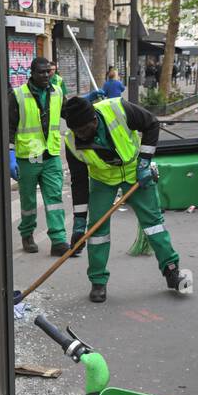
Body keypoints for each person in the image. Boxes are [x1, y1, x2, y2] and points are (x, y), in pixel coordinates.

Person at [62, 92, 187, 304]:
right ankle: (98, 281)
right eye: (76, 131)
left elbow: (151, 124)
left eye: (84, 130)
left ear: (94, 119)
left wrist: (145, 161)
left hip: (134, 173)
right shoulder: (72, 142)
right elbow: (79, 182)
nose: (81, 136)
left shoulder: (117, 109)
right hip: (102, 180)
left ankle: (171, 270)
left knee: (153, 224)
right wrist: (79, 222)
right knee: (97, 231)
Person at [9, 55, 69, 256]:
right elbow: (9, 126)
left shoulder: (58, 92)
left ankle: (59, 239)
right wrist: (9, 154)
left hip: (51, 154)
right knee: (28, 201)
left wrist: (88, 104)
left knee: (54, 198)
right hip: (29, 157)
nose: (46, 75)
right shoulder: (18, 95)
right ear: (32, 74)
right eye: (41, 72)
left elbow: (68, 112)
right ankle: (27, 235)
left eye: (48, 72)